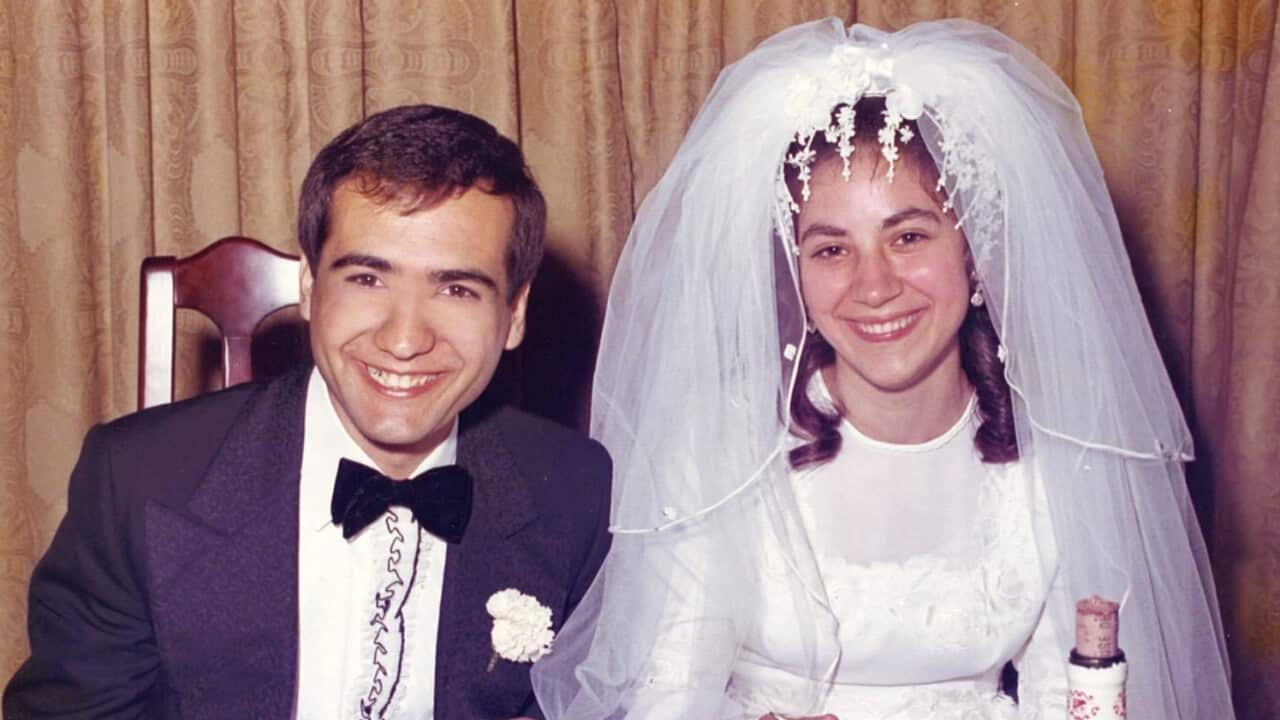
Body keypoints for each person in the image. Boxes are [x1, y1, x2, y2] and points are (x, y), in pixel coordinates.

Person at [531, 18, 1234, 719]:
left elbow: (1071, 693)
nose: (874, 286)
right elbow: (666, 699)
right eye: (832, 249)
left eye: (908, 236)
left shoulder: (1058, 463)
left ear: (975, 252)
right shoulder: (722, 455)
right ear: (797, 272)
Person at [5, 104, 612, 719]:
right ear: (308, 286)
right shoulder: (138, 480)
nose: (404, 340)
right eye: (367, 280)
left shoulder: (578, 494)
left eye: (456, 289)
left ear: (514, 315)